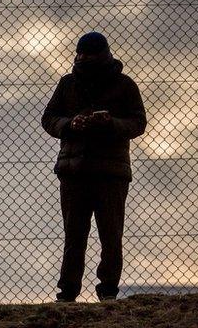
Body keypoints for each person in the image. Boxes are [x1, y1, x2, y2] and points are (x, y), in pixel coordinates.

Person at [41, 32, 147, 302]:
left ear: (104, 55)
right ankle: (68, 292)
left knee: (110, 236)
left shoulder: (124, 85)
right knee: (74, 236)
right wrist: (70, 124)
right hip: (75, 171)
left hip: (110, 173)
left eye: (89, 54)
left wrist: (110, 123)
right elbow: (49, 118)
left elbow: (138, 123)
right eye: (81, 54)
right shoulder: (67, 84)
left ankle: (107, 290)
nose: (83, 58)